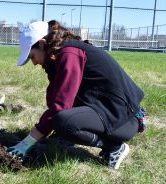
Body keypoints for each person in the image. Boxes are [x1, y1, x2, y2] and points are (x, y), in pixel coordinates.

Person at [8, 20, 146, 169]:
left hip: (124, 120)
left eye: (32, 56)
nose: (34, 63)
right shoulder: (58, 56)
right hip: (111, 111)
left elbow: (60, 106)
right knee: (60, 122)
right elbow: (56, 98)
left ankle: (113, 147)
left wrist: (27, 142)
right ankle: (66, 137)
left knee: (63, 122)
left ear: (42, 43)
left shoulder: (69, 54)